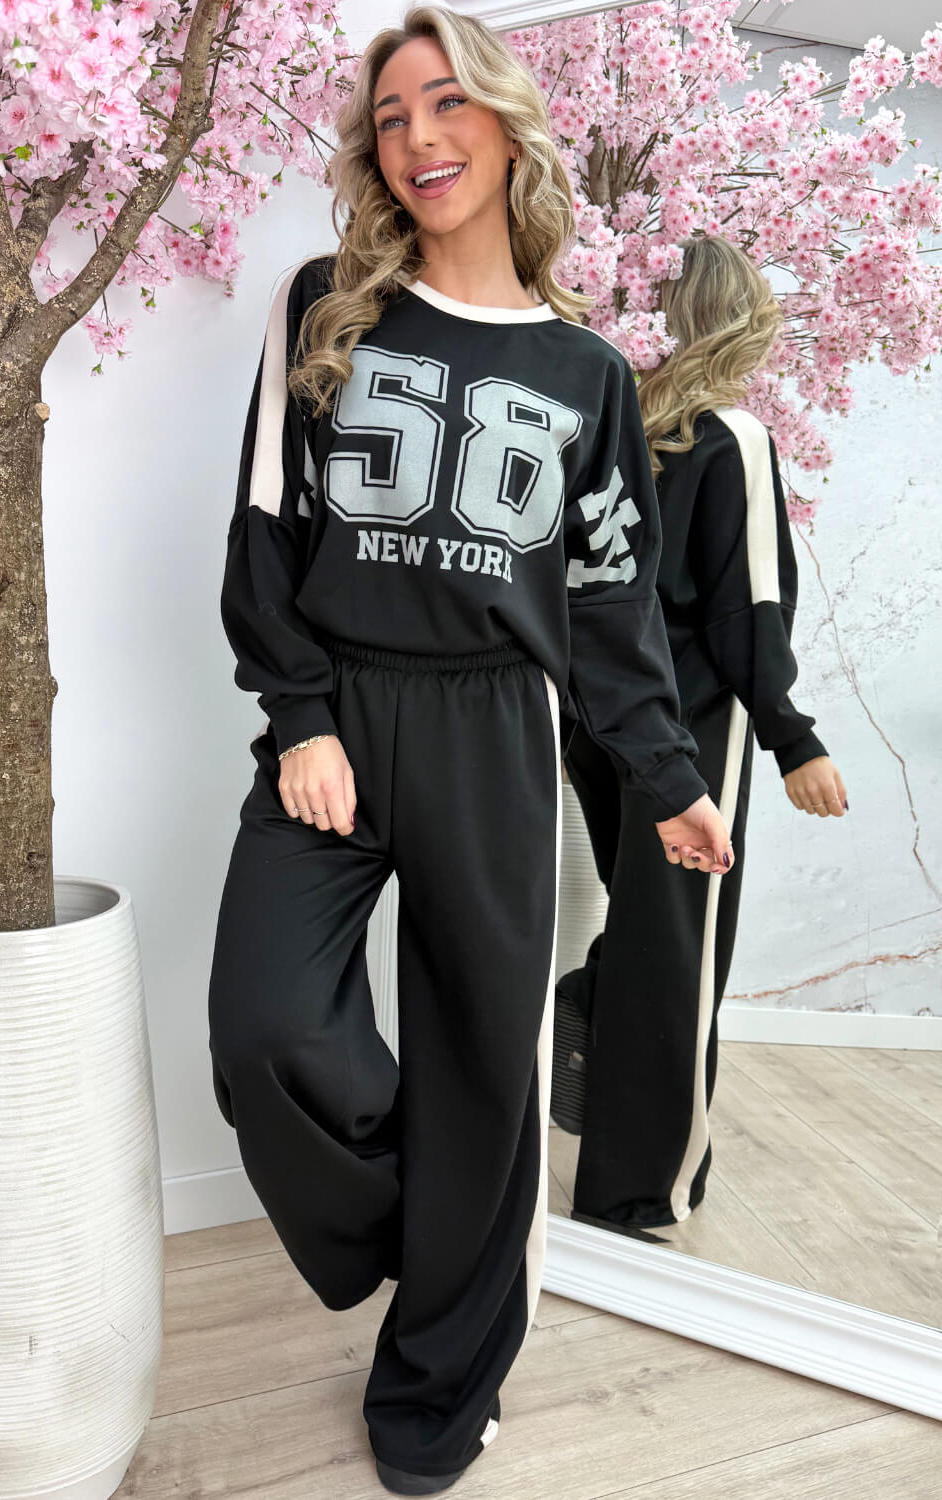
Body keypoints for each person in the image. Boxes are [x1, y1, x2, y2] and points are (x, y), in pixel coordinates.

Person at [206, 10, 735, 1493]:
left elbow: (611, 604)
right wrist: (301, 716)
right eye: (390, 117)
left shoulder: (589, 373)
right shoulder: (328, 308)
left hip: (499, 729)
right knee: (269, 1033)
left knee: (485, 1077)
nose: (419, 138)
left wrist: (667, 776)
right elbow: (264, 527)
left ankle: (438, 1392)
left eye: (447, 105)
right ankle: (430, 1219)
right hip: (343, 711)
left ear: (507, 129)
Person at [552, 235, 848, 1235]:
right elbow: (746, 607)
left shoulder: (605, 435)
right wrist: (792, 737)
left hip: (594, 722)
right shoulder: (732, 437)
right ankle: (639, 1190)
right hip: (687, 729)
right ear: (734, 318)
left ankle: (597, 994)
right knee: (678, 952)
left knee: (647, 930)